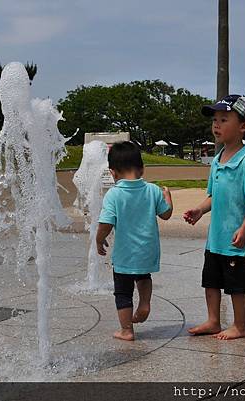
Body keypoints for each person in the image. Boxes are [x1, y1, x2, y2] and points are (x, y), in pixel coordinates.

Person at [183, 94, 245, 340]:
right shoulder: (217, 160)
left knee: (237, 286)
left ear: (242, 126)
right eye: (215, 120)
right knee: (211, 281)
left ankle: (240, 326)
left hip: (235, 240)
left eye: (224, 119)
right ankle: (213, 320)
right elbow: (213, 196)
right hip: (216, 238)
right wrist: (199, 210)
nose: (216, 125)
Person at [96, 141, 173, 341]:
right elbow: (166, 215)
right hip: (147, 251)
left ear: (113, 173)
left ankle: (126, 330)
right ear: (142, 169)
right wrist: (168, 198)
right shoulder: (154, 190)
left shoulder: (114, 194)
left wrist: (99, 239)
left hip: (124, 254)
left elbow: (106, 223)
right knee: (143, 277)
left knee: (122, 292)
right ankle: (145, 302)